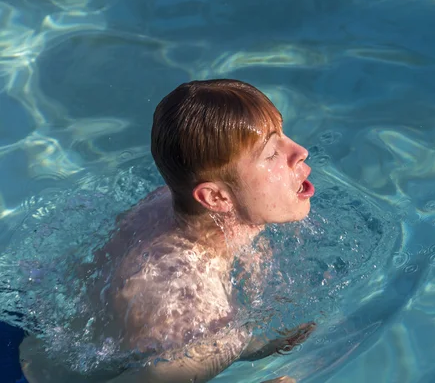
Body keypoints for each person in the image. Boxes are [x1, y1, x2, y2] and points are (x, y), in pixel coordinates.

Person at [19, 79, 317, 383]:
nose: (300, 151)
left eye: (282, 133)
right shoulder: (199, 323)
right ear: (216, 198)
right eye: (271, 153)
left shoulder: (165, 202)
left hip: (26, 339)